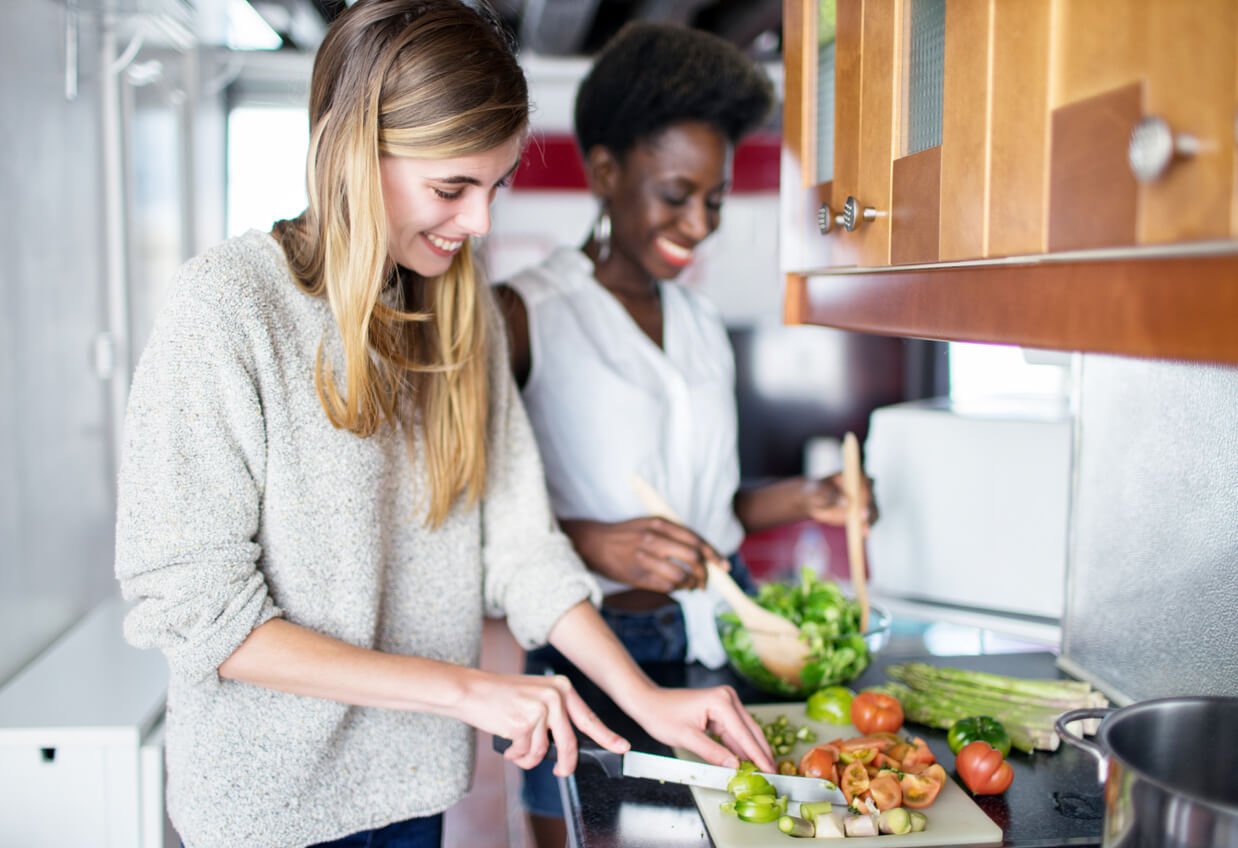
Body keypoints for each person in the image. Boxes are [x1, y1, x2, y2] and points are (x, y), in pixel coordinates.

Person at [113, 3, 773, 847]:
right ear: (354, 153)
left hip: (412, 786)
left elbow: (522, 546)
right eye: (451, 188)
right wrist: (466, 690)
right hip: (266, 805)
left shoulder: (463, 319)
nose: (480, 224)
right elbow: (200, 612)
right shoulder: (231, 306)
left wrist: (644, 696)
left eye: (494, 187)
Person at [495, 22, 875, 845]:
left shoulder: (701, 323)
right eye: (676, 194)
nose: (700, 224)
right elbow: (471, 519)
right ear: (604, 171)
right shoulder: (525, 314)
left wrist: (812, 498)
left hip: (711, 637)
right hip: (592, 655)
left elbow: (709, 503)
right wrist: (593, 541)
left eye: (715, 199)